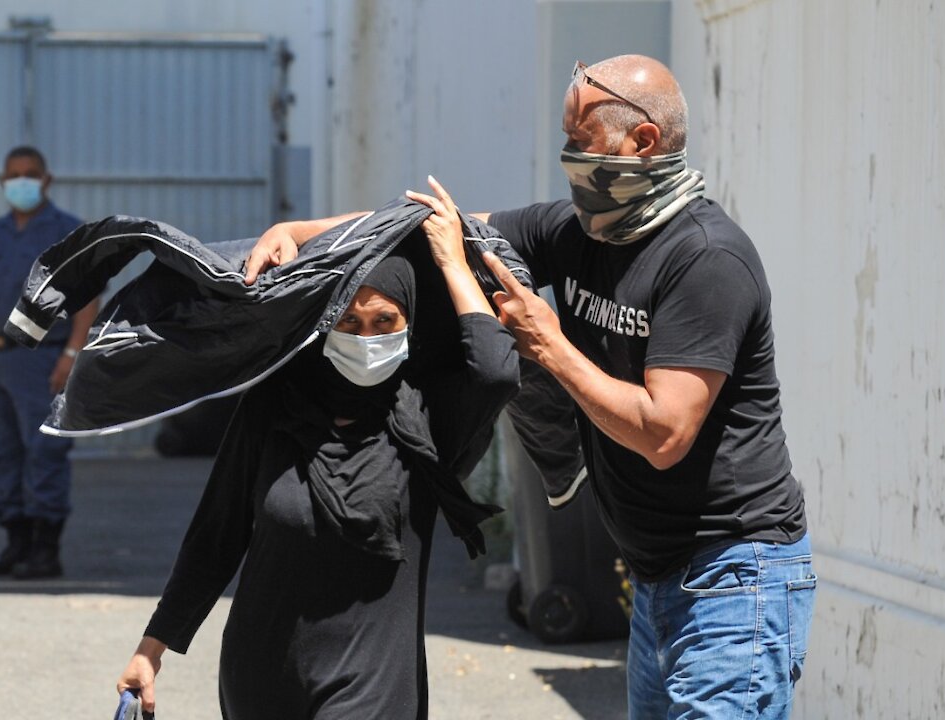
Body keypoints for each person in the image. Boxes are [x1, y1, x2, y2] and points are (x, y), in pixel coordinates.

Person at [243, 55, 815, 719]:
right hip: (659, 574)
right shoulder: (577, 234)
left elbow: (665, 433)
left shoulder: (705, 260)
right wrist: (296, 233)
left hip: (734, 576)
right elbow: (437, 227)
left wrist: (551, 347)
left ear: (643, 142)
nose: (567, 154)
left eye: (580, 138)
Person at [116, 191, 520, 718]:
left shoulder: (427, 421)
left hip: (373, 685)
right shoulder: (276, 406)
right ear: (324, 324)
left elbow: (495, 371)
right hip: (260, 679)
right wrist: (152, 648)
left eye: (384, 322)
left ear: (410, 326)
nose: (366, 337)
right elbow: (217, 534)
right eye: (349, 323)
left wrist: (449, 259)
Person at [0, 145, 98, 580]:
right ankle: (16, 542)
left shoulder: (67, 233)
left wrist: (72, 355)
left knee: (45, 452)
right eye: (14, 175)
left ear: (47, 179)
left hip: (41, 358)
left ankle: (46, 550)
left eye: (30, 173)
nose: (22, 181)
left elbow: (88, 300)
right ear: (2, 181)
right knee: (2, 454)